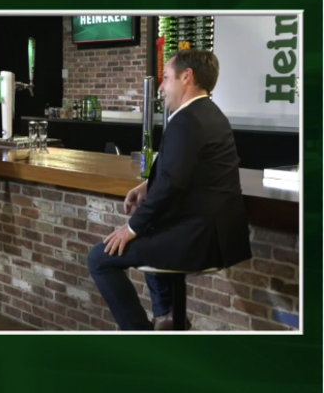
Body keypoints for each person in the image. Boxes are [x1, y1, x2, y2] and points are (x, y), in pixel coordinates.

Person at [88, 50, 252, 330]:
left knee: (98, 259)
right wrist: (146, 186)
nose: (161, 88)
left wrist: (131, 228)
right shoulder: (210, 114)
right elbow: (181, 172)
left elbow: (171, 186)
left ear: (186, 77)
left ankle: (143, 334)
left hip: (199, 239)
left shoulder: (187, 120)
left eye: (165, 78)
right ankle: (167, 317)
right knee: (152, 228)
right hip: (219, 235)